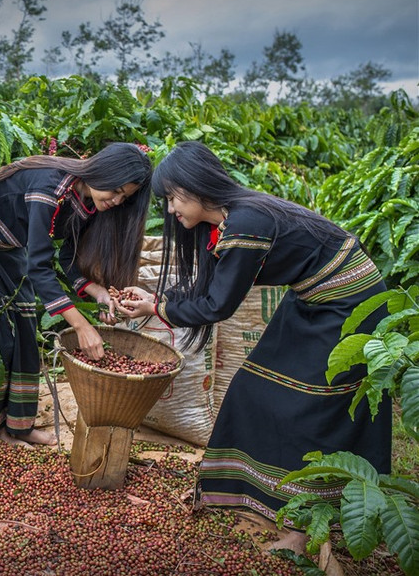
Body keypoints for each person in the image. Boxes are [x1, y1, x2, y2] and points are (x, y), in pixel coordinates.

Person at [115, 140, 392, 553]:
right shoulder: (229, 221)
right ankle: (254, 494)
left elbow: (217, 305)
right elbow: (212, 288)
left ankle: (305, 529)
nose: (170, 209)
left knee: (309, 404)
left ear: (195, 188)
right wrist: (155, 301)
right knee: (253, 386)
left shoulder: (246, 224)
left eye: (173, 197)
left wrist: (156, 306)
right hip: (312, 297)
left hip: (347, 301)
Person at [0, 142, 153, 447]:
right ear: (103, 171)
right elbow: (39, 268)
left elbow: (68, 260)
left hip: (8, 245)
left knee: (26, 326)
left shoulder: (89, 203)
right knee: (2, 333)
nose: (115, 200)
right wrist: (81, 326)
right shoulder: (50, 187)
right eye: (116, 190)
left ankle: (19, 425)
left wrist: (98, 292)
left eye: (124, 197)